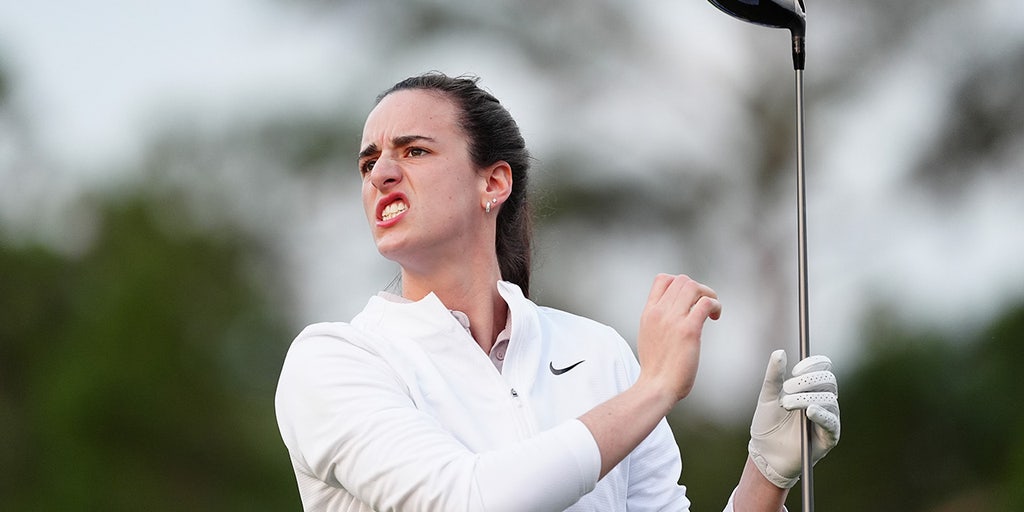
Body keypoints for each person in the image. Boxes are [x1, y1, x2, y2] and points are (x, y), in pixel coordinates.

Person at [275, 72, 841, 512]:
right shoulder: (333, 361)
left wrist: (766, 474)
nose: (380, 174)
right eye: (369, 161)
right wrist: (656, 388)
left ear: (492, 182)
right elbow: (469, 501)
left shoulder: (599, 353)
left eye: (414, 151)